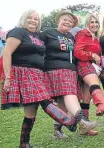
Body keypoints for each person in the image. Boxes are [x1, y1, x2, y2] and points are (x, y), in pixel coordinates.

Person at [0, 9, 92, 148]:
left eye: (36, 19)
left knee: (32, 110)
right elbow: (7, 53)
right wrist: (8, 77)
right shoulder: (18, 31)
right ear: (24, 18)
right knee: (44, 100)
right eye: (30, 18)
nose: (33, 21)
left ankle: (24, 144)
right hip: (23, 72)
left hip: (37, 73)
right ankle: (69, 122)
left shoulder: (36, 35)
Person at [40, 10, 98, 139]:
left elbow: (78, 52)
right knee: (69, 94)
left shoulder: (71, 37)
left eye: (70, 21)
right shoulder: (48, 33)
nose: (67, 22)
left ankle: (57, 130)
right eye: (65, 19)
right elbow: (35, 45)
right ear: (59, 20)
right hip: (56, 69)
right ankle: (82, 120)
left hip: (71, 71)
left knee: (63, 101)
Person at [74, 14, 104, 128]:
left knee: (86, 97)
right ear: (87, 23)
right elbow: (77, 52)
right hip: (84, 64)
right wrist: (92, 54)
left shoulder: (95, 37)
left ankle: (84, 127)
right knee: (94, 82)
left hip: (92, 66)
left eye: (96, 22)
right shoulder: (83, 34)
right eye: (92, 22)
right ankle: (102, 104)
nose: (94, 24)